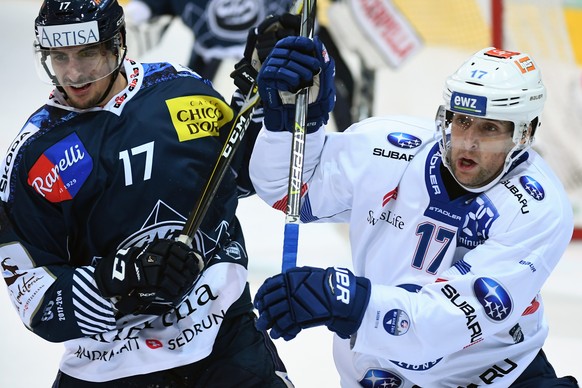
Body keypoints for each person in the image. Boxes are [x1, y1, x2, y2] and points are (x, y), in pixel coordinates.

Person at [247, 32, 580, 387]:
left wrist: (344, 299)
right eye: (462, 121)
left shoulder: (537, 208)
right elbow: (289, 192)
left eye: (489, 129)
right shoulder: (387, 147)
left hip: (496, 373)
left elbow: (448, 321)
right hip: (385, 370)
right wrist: (293, 126)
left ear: (524, 134)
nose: (468, 141)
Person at [0, 0, 293, 386]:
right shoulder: (36, 157)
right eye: (59, 56)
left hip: (224, 340)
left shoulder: (180, 90)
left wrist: (264, 101)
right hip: (111, 362)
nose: (73, 73)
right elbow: (35, 300)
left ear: (118, 42)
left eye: (88, 53)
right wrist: (119, 279)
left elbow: (239, 176)